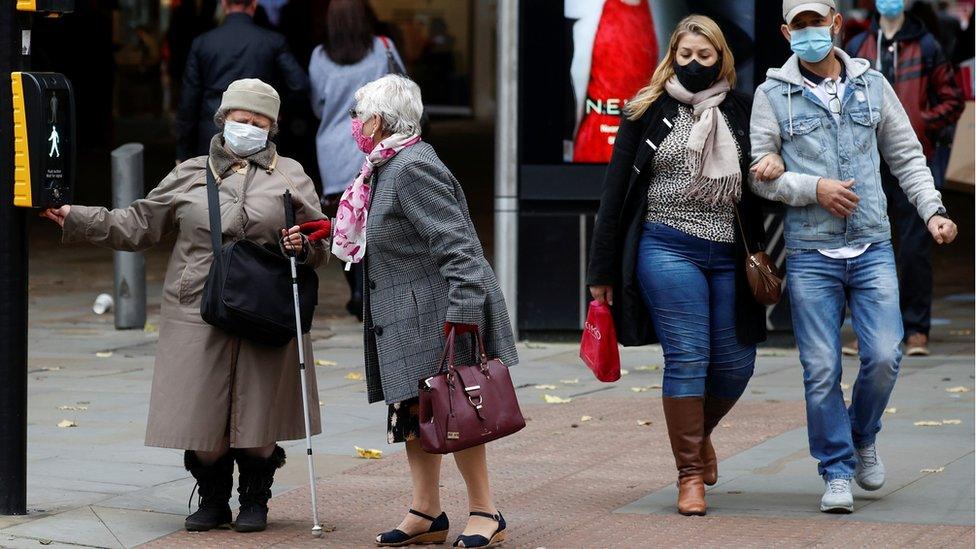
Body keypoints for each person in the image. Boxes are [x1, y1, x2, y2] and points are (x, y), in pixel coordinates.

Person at [42, 79, 328, 533]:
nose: (248, 128)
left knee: (259, 418)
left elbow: (319, 240)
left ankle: (255, 501)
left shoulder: (290, 174)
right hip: (196, 307)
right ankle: (213, 499)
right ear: (223, 119)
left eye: (259, 123)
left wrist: (302, 245)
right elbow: (137, 224)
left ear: (272, 128)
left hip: (265, 308)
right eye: (241, 119)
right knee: (203, 422)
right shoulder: (191, 173)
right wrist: (76, 216)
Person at [750, 0, 958, 514]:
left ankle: (862, 435)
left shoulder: (872, 85)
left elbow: (907, 155)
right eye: (798, 26)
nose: (809, 33)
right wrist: (810, 187)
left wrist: (933, 211)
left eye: (816, 23)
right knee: (820, 368)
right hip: (810, 250)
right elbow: (759, 173)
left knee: (886, 355)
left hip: (871, 245)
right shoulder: (772, 94)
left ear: (836, 24)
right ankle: (837, 469)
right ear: (785, 31)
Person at [587, 15, 781, 516]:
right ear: (671, 56)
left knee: (736, 363)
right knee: (689, 357)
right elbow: (614, 197)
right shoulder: (645, 110)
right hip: (666, 248)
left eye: (705, 56)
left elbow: (765, 179)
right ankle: (689, 474)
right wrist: (600, 274)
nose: (694, 65)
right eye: (685, 56)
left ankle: (699, 436)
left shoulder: (744, 109)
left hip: (731, 256)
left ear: (722, 59)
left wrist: (774, 165)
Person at [336, 74, 518, 548]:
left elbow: (459, 245)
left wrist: (464, 315)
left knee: (459, 412)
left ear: (377, 120)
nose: (354, 124)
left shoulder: (412, 166)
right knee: (415, 416)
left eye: (358, 116)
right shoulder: (385, 164)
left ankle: (485, 511)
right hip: (407, 319)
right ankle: (426, 511)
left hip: (437, 316)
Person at [845, 0, 964, 356]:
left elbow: (952, 98)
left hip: (912, 157)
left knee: (914, 248)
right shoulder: (858, 46)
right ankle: (868, 328)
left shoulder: (927, 44)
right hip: (866, 162)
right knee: (863, 245)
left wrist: (922, 122)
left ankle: (915, 328)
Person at [309, 0, 405, 322]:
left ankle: (357, 290)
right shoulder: (383, 48)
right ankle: (372, 290)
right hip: (375, 144)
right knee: (377, 221)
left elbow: (318, 106)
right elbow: (403, 91)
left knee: (346, 222)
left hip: (333, 150)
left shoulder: (319, 57)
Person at [175, 0, 308, 162]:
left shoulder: (203, 43)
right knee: (262, 185)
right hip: (259, 132)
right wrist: (274, 110)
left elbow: (189, 101)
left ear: (223, 4)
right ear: (254, 4)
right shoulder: (273, 41)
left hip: (213, 134)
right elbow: (300, 85)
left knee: (214, 186)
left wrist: (183, 151)